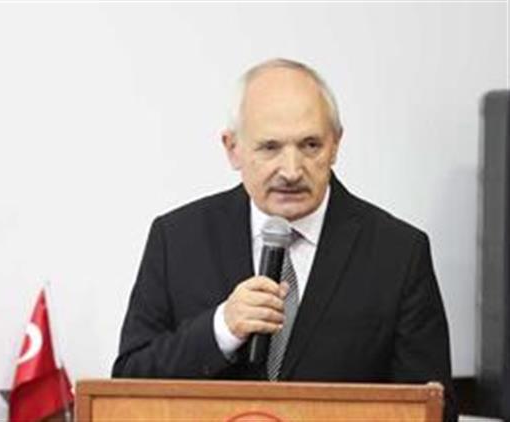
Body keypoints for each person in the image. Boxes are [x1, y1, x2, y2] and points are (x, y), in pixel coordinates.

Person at [112, 58, 458, 421]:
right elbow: (129, 382)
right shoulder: (177, 239)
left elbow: (433, 409)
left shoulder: (398, 253)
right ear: (232, 148)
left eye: (310, 145)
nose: (291, 171)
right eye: (270, 147)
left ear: (336, 145)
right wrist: (222, 329)